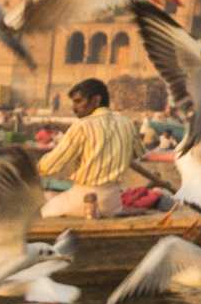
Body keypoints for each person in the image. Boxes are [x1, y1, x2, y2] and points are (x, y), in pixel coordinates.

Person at [40, 77, 151, 217]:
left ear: (96, 100)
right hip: (113, 203)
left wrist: (32, 166)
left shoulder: (82, 126)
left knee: (42, 213)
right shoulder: (127, 123)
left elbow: (49, 166)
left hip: (84, 198)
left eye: (78, 101)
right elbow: (139, 154)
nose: (74, 108)